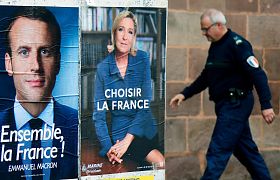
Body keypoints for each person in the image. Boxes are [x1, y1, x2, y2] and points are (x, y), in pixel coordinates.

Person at [170, 8, 275, 180]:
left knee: (217, 150)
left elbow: (258, 74)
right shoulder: (216, 46)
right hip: (226, 105)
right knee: (246, 151)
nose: (204, 33)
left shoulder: (237, 44)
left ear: (219, 25)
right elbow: (207, 76)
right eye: (202, 30)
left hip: (236, 103)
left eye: (206, 29)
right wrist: (185, 93)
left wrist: (266, 105)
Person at [0, 7, 78, 179]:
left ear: (57, 62)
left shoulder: (81, 128)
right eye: (24, 52)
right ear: (9, 64)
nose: (36, 65)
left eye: (45, 51)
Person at [93, 10, 164, 168]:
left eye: (130, 32)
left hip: (144, 128)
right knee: (159, 164)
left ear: (134, 37)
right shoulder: (103, 68)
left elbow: (144, 106)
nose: (125, 37)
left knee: (161, 164)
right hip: (120, 133)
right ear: (114, 33)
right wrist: (108, 148)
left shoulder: (142, 58)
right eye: (121, 30)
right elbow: (99, 116)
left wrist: (127, 141)